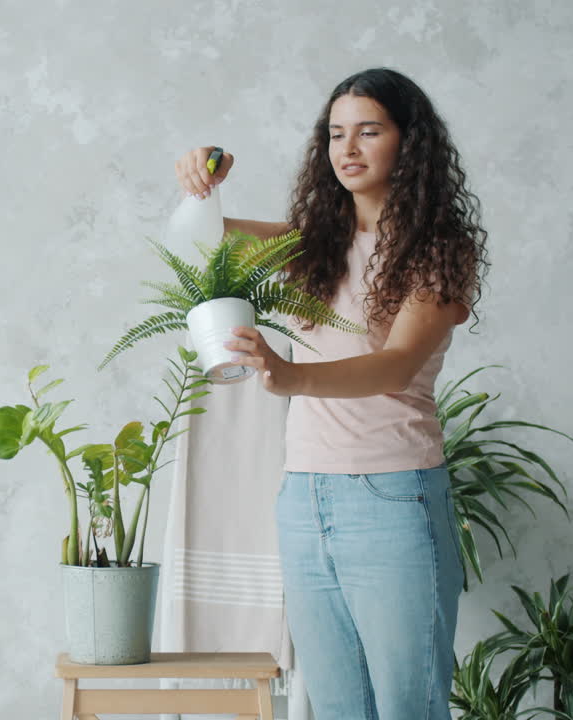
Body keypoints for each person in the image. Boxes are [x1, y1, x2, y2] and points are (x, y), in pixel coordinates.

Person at [173, 67, 490, 720]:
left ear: (410, 143)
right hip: (304, 497)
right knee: (339, 709)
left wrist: (291, 379)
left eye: (368, 131)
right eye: (336, 134)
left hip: (392, 498)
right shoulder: (309, 246)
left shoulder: (438, 250)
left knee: (408, 707)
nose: (347, 149)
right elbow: (195, 241)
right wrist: (202, 183)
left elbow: (396, 364)